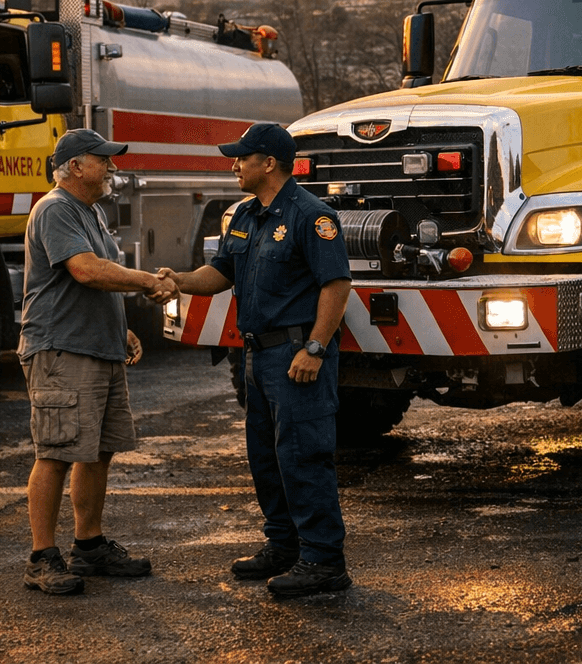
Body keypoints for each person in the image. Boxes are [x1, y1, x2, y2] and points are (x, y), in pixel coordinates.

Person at [159, 122, 354, 597]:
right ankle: (284, 545)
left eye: (242, 158)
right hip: (257, 356)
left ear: (269, 163)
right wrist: (177, 280)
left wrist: (315, 347)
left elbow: (336, 285)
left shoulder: (313, 216)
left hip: (295, 356)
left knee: (303, 456)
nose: (234, 165)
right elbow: (221, 272)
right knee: (267, 459)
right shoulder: (245, 215)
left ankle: (324, 561)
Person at [20, 128, 177, 596]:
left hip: (97, 346)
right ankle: (41, 558)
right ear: (74, 167)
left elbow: (96, 279)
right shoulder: (54, 209)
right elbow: (86, 270)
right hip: (62, 350)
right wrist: (149, 281)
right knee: (56, 452)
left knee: (98, 450)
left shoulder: (90, 212)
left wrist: (119, 327)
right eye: (102, 160)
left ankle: (88, 548)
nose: (111, 168)